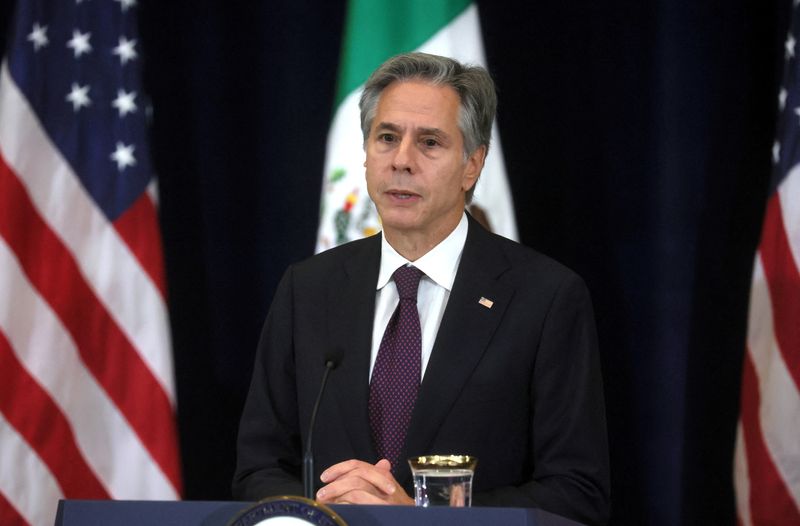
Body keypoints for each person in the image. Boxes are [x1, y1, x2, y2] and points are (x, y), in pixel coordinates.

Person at [233, 52, 610, 526]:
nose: (402, 161)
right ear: (367, 153)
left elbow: (577, 491)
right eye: (387, 138)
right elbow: (261, 467)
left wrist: (422, 516)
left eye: (429, 142)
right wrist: (327, 513)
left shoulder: (545, 297)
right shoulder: (307, 289)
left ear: (472, 166)